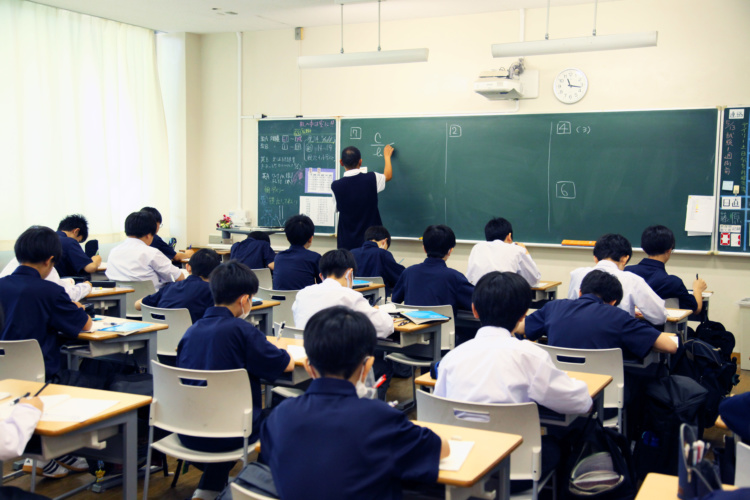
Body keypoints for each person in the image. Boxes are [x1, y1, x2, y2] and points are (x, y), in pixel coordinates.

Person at [260, 306, 449, 500]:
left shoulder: (279, 416)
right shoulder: (380, 418)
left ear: (309, 367)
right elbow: (440, 448)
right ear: (367, 366)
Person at [434, 272, 591, 492]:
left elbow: (439, 413)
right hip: (517, 467)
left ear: (474, 309)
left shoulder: (452, 357)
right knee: (560, 442)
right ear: (523, 315)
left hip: (461, 464)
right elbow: (580, 403)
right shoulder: (530, 355)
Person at [177, 261, 294, 500]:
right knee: (283, 414)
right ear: (244, 300)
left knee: (225, 411)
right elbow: (286, 365)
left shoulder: (191, 331)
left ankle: (208, 488)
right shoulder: (242, 331)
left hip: (186, 428)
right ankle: (256, 486)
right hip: (230, 432)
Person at [0, 226, 93, 479]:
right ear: (50, 261)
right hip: (43, 379)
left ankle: (48, 455)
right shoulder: (49, 291)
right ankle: (57, 449)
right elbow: (84, 324)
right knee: (90, 377)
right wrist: (75, 306)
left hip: (3, 380)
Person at [523, 270, 678, 359]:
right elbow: (670, 346)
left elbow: (520, 328)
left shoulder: (553, 307)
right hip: (603, 398)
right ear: (613, 301)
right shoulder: (618, 317)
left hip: (558, 391)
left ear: (580, 292)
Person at [567, 233, 667, 325]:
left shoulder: (577, 274)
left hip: (579, 336)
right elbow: (659, 317)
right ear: (625, 258)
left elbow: (572, 308)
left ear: (595, 258)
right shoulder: (632, 280)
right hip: (616, 338)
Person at [391, 224, 473, 315]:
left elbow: (394, 301)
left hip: (411, 327)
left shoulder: (408, 272)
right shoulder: (455, 277)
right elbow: (476, 302)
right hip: (443, 328)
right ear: (450, 250)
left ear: (424, 249)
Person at [625, 225, 708, 314]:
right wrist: (697, 290)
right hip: (659, 327)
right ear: (669, 250)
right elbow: (695, 309)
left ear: (644, 249)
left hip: (627, 325)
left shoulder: (626, 272)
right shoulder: (673, 282)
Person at [330, 145, 394, 250]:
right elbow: (388, 175)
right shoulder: (372, 178)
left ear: (341, 162)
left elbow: (335, 209)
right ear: (360, 162)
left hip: (347, 243)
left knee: (350, 266)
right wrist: (387, 157)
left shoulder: (336, 186)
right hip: (372, 241)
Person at [135, 248, 222, 323]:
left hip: (158, 338)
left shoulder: (170, 287)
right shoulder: (213, 292)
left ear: (188, 267)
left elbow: (137, 305)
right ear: (218, 272)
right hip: (189, 340)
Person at [106, 211, 184, 290]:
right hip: (151, 300)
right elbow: (179, 277)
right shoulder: (151, 253)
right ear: (149, 235)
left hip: (121, 300)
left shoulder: (113, 252)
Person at [466, 217, 541, 287]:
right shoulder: (517, 249)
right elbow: (533, 280)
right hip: (505, 297)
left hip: (479, 297)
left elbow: (470, 278)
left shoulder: (477, 248)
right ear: (509, 236)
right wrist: (526, 252)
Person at [1, 257, 91, 302]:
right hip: (41, 337)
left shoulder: (3, 283)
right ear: (49, 259)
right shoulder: (50, 289)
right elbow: (68, 294)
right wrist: (86, 286)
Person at [350, 225, 405, 295]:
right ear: (384, 241)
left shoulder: (352, 253)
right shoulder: (383, 254)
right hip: (377, 299)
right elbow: (401, 276)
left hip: (354, 297)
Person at [271, 214, 321, 291]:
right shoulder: (315, 258)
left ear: (287, 238)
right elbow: (323, 285)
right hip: (304, 302)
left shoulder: (279, 257)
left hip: (279, 302)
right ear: (310, 239)